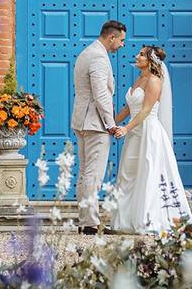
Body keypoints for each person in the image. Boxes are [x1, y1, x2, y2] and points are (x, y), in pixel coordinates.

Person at [110, 45, 191, 233]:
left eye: (141, 54)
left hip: (149, 131)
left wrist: (125, 128)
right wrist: (111, 122)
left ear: (151, 60)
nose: (136, 56)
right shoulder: (139, 79)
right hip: (134, 132)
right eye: (138, 53)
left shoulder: (154, 81)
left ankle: (147, 219)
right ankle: (125, 220)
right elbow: (130, 108)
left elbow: (146, 110)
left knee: (149, 173)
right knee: (127, 174)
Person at [70, 20, 126, 235]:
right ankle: (91, 223)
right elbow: (100, 93)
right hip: (95, 123)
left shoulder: (87, 52)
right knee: (93, 175)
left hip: (82, 120)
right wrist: (111, 123)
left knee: (85, 173)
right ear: (111, 37)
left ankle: (85, 221)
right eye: (121, 40)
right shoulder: (99, 57)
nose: (122, 45)